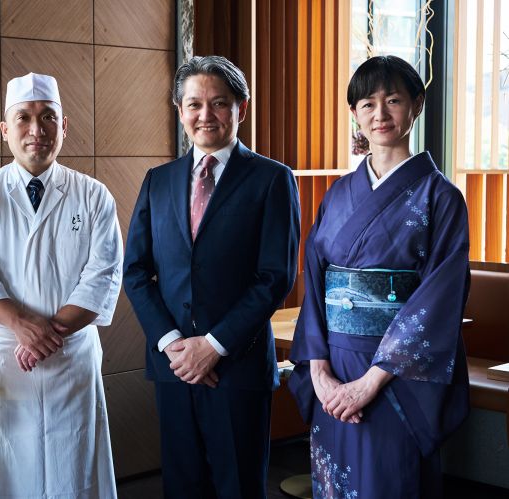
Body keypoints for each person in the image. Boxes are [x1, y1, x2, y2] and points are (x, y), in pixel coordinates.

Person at [288, 55, 470, 498]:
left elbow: (440, 297)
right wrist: (320, 375)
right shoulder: (337, 194)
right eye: (367, 104)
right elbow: (315, 281)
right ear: (354, 114)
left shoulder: (441, 197)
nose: (380, 114)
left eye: (393, 100)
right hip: (334, 363)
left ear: (417, 105)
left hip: (397, 376)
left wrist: (370, 383)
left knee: (389, 481)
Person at [123, 55, 301, 499]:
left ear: (242, 107)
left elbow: (275, 277)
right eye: (194, 104)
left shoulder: (272, 180)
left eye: (219, 103)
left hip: (236, 367)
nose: (206, 115)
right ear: (179, 111)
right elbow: (136, 271)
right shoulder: (157, 181)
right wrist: (174, 345)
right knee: (182, 487)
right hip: (173, 367)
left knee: (237, 486)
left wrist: (214, 345)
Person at [0, 72, 123, 498]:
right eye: (23, 118)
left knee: (72, 469)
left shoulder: (93, 196)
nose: (36, 129)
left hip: (70, 356)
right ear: (5, 130)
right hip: (1, 359)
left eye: (48, 117)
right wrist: (21, 327)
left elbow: (103, 272)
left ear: (63, 126)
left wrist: (46, 334)